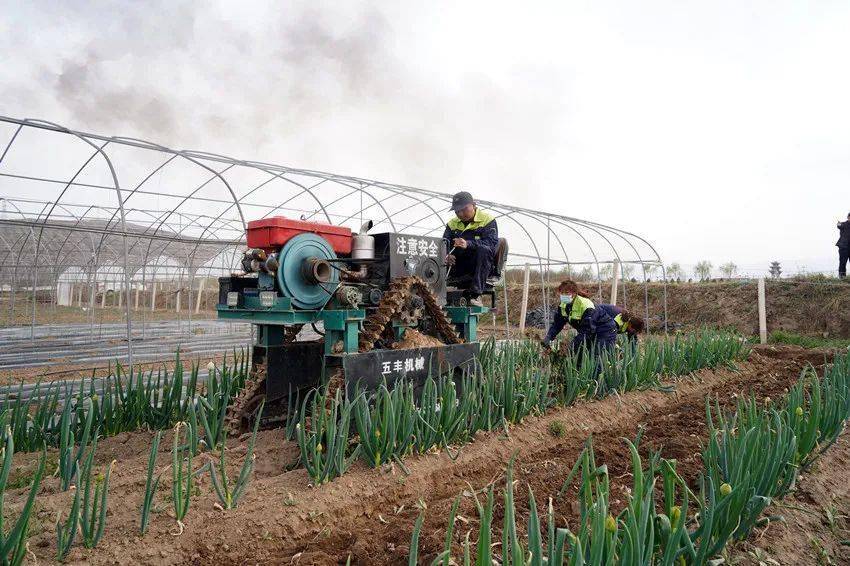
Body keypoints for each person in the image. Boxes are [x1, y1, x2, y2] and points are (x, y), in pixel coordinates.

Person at [542, 280, 618, 366]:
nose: (564, 295)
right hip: (590, 330)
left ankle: (598, 378)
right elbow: (557, 324)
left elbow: (587, 331)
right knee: (579, 357)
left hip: (605, 330)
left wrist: (571, 346)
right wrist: (549, 337)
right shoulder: (563, 305)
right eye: (562, 293)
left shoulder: (586, 305)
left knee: (598, 359)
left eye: (567, 292)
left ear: (574, 293)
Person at [443, 191, 499, 306]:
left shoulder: (487, 220)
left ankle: (476, 295)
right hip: (458, 266)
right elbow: (444, 243)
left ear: (473, 205)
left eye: (464, 209)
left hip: (479, 267)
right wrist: (447, 255)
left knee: (484, 250)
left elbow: (491, 244)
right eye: (457, 211)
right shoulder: (452, 224)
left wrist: (468, 244)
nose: (460, 213)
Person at [837, 212, 850, 279]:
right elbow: (839, 225)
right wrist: (838, 224)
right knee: (842, 263)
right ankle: (842, 278)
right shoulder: (843, 224)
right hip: (843, 247)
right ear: (848, 217)